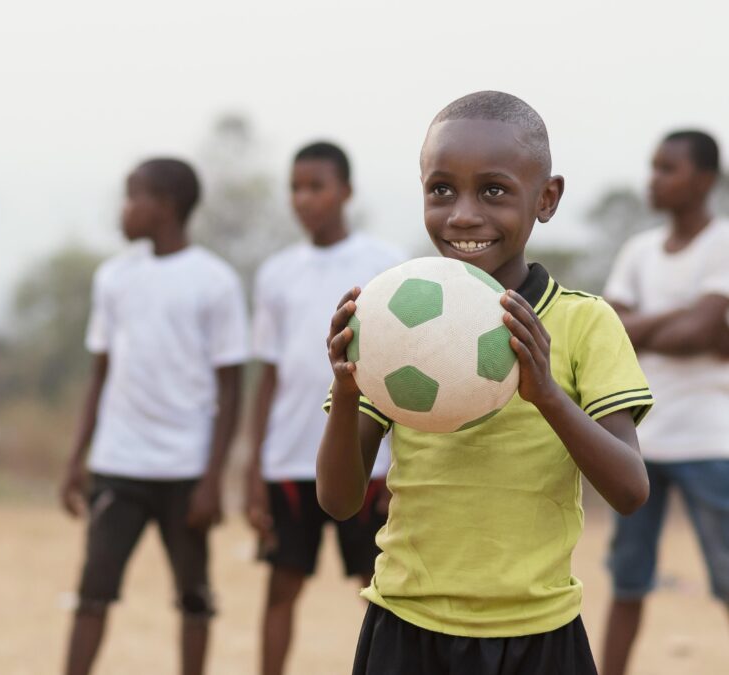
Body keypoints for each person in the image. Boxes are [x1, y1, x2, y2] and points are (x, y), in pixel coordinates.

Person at [317, 91, 654, 675]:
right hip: (406, 624)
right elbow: (339, 500)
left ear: (546, 198)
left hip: (539, 631)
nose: (463, 214)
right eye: (440, 189)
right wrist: (347, 395)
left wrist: (547, 394)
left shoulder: (583, 321)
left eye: (493, 190)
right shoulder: (392, 319)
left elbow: (629, 491)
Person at [59, 158, 248, 675]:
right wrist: (77, 459)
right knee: (92, 594)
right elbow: (99, 375)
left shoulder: (215, 281)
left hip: (185, 472)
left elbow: (232, 391)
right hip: (118, 464)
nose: (123, 210)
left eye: (131, 197)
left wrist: (213, 480)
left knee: (194, 599)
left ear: (164, 207)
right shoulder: (114, 278)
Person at [245, 141, 404, 675]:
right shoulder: (274, 273)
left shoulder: (383, 263)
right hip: (289, 457)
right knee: (282, 586)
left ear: (346, 191)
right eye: (295, 187)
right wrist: (252, 466)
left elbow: (405, 367)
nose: (303, 198)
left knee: (379, 589)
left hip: (367, 460)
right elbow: (267, 374)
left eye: (316, 185)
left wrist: (400, 461)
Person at [600, 130, 729, 675]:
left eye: (667, 169)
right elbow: (608, 329)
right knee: (627, 582)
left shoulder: (722, 241)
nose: (654, 179)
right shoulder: (639, 250)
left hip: (710, 440)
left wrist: (642, 327)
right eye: (653, 167)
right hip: (641, 442)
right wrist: (682, 319)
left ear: (704, 179)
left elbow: (697, 332)